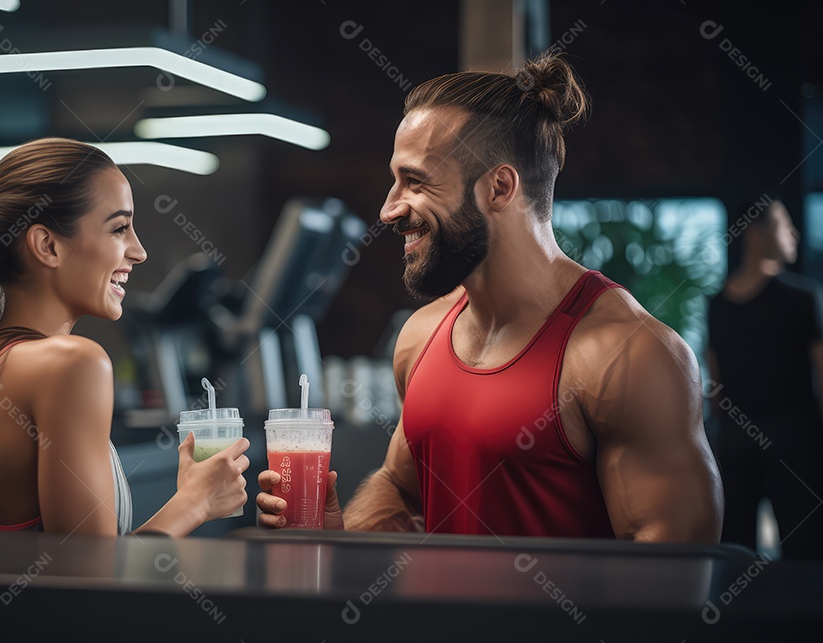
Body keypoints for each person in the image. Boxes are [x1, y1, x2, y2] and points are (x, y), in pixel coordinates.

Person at [257, 53, 723, 542]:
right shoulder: (420, 337)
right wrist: (340, 533)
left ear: (499, 188)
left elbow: (673, 569)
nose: (389, 208)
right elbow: (401, 487)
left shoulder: (628, 354)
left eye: (415, 182)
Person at [0, 138, 249, 535]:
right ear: (48, 245)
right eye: (119, 228)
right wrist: (194, 503)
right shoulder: (72, 364)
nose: (139, 251)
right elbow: (92, 578)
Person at [706, 197, 823, 559]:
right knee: (806, 554)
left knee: (736, 554)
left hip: (736, 442)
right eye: (783, 224)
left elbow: (715, 384)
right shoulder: (803, 297)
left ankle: (741, 616)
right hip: (795, 444)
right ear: (755, 235)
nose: (794, 233)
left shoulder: (718, 304)